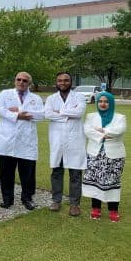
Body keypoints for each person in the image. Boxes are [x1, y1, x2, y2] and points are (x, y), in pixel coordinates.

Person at [0, 72, 44, 210]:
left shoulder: (36, 98)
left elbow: (41, 115)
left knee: (27, 174)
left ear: (29, 83)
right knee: (6, 173)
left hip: (26, 142)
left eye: (25, 80)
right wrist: (17, 115)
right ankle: (7, 200)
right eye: (19, 79)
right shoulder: (5, 94)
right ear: (14, 80)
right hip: (7, 140)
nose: (21, 82)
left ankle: (27, 199)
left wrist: (19, 110)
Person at [44, 72, 87, 216]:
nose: (63, 83)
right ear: (56, 82)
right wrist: (68, 114)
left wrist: (60, 112)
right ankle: (56, 200)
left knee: (75, 173)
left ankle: (75, 204)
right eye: (60, 80)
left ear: (71, 82)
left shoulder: (79, 96)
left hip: (75, 140)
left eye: (66, 80)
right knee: (57, 171)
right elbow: (48, 114)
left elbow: (79, 112)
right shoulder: (51, 98)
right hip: (57, 139)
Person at [82, 92, 126, 222]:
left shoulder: (120, 117)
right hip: (94, 154)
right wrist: (105, 135)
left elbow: (120, 130)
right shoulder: (91, 116)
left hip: (114, 156)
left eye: (106, 101)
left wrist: (101, 130)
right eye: (100, 101)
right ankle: (96, 208)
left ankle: (113, 210)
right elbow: (87, 130)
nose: (103, 104)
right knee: (95, 181)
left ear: (111, 103)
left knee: (112, 180)